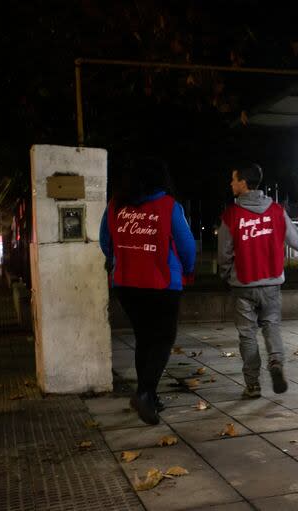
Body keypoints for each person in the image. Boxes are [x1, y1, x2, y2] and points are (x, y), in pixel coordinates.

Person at [99, 158, 195, 425]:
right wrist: (187, 269)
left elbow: (104, 241)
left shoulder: (115, 206)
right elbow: (186, 246)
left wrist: (120, 259)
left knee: (144, 338)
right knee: (163, 338)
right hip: (162, 283)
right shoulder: (168, 205)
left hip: (126, 283)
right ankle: (144, 393)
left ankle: (149, 396)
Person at [218, 163, 298, 399]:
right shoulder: (276, 211)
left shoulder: (231, 215)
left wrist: (227, 275)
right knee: (272, 326)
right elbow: (295, 239)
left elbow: (224, 254)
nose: (231, 184)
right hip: (271, 284)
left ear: (244, 183)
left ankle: (253, 385)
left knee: (247, 335)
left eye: (233, 179)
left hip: (243, 285)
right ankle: (276, 363)